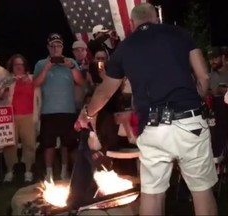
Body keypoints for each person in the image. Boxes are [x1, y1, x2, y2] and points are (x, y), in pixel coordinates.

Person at [77, 3, 217, 216]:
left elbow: (104, 92)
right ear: (157, 19)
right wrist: (196, 95)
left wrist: (88, 114)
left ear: (132, 24)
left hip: (153, 128)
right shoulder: (180, 34)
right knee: (201, 191)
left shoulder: (125, 47)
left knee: (153, 194)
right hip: (190, 122)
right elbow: (204, 76)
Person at [0, 39, 41, 183]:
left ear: (25, 65)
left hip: (29, 116)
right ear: (12, 65)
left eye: (21, 64)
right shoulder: (7, 78)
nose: (19, 67)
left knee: (30, 144)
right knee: (10, 144)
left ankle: (28, 171)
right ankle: (10, 171)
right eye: (16, 64)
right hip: (10, 117)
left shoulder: (33, 79)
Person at [34, 33, 84, 180]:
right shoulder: (41, 64)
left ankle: (64, 172)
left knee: (66, 144)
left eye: (58, 46)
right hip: (48, 111)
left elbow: (81, 82)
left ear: (62, 47)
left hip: (68, 110)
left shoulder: (71, 62)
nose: (56, 49)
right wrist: (47, 68)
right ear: (48, 47)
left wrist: (71, 67)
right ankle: (49, 173)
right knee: (48, 144)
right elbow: (35, 83)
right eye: (53, 46)